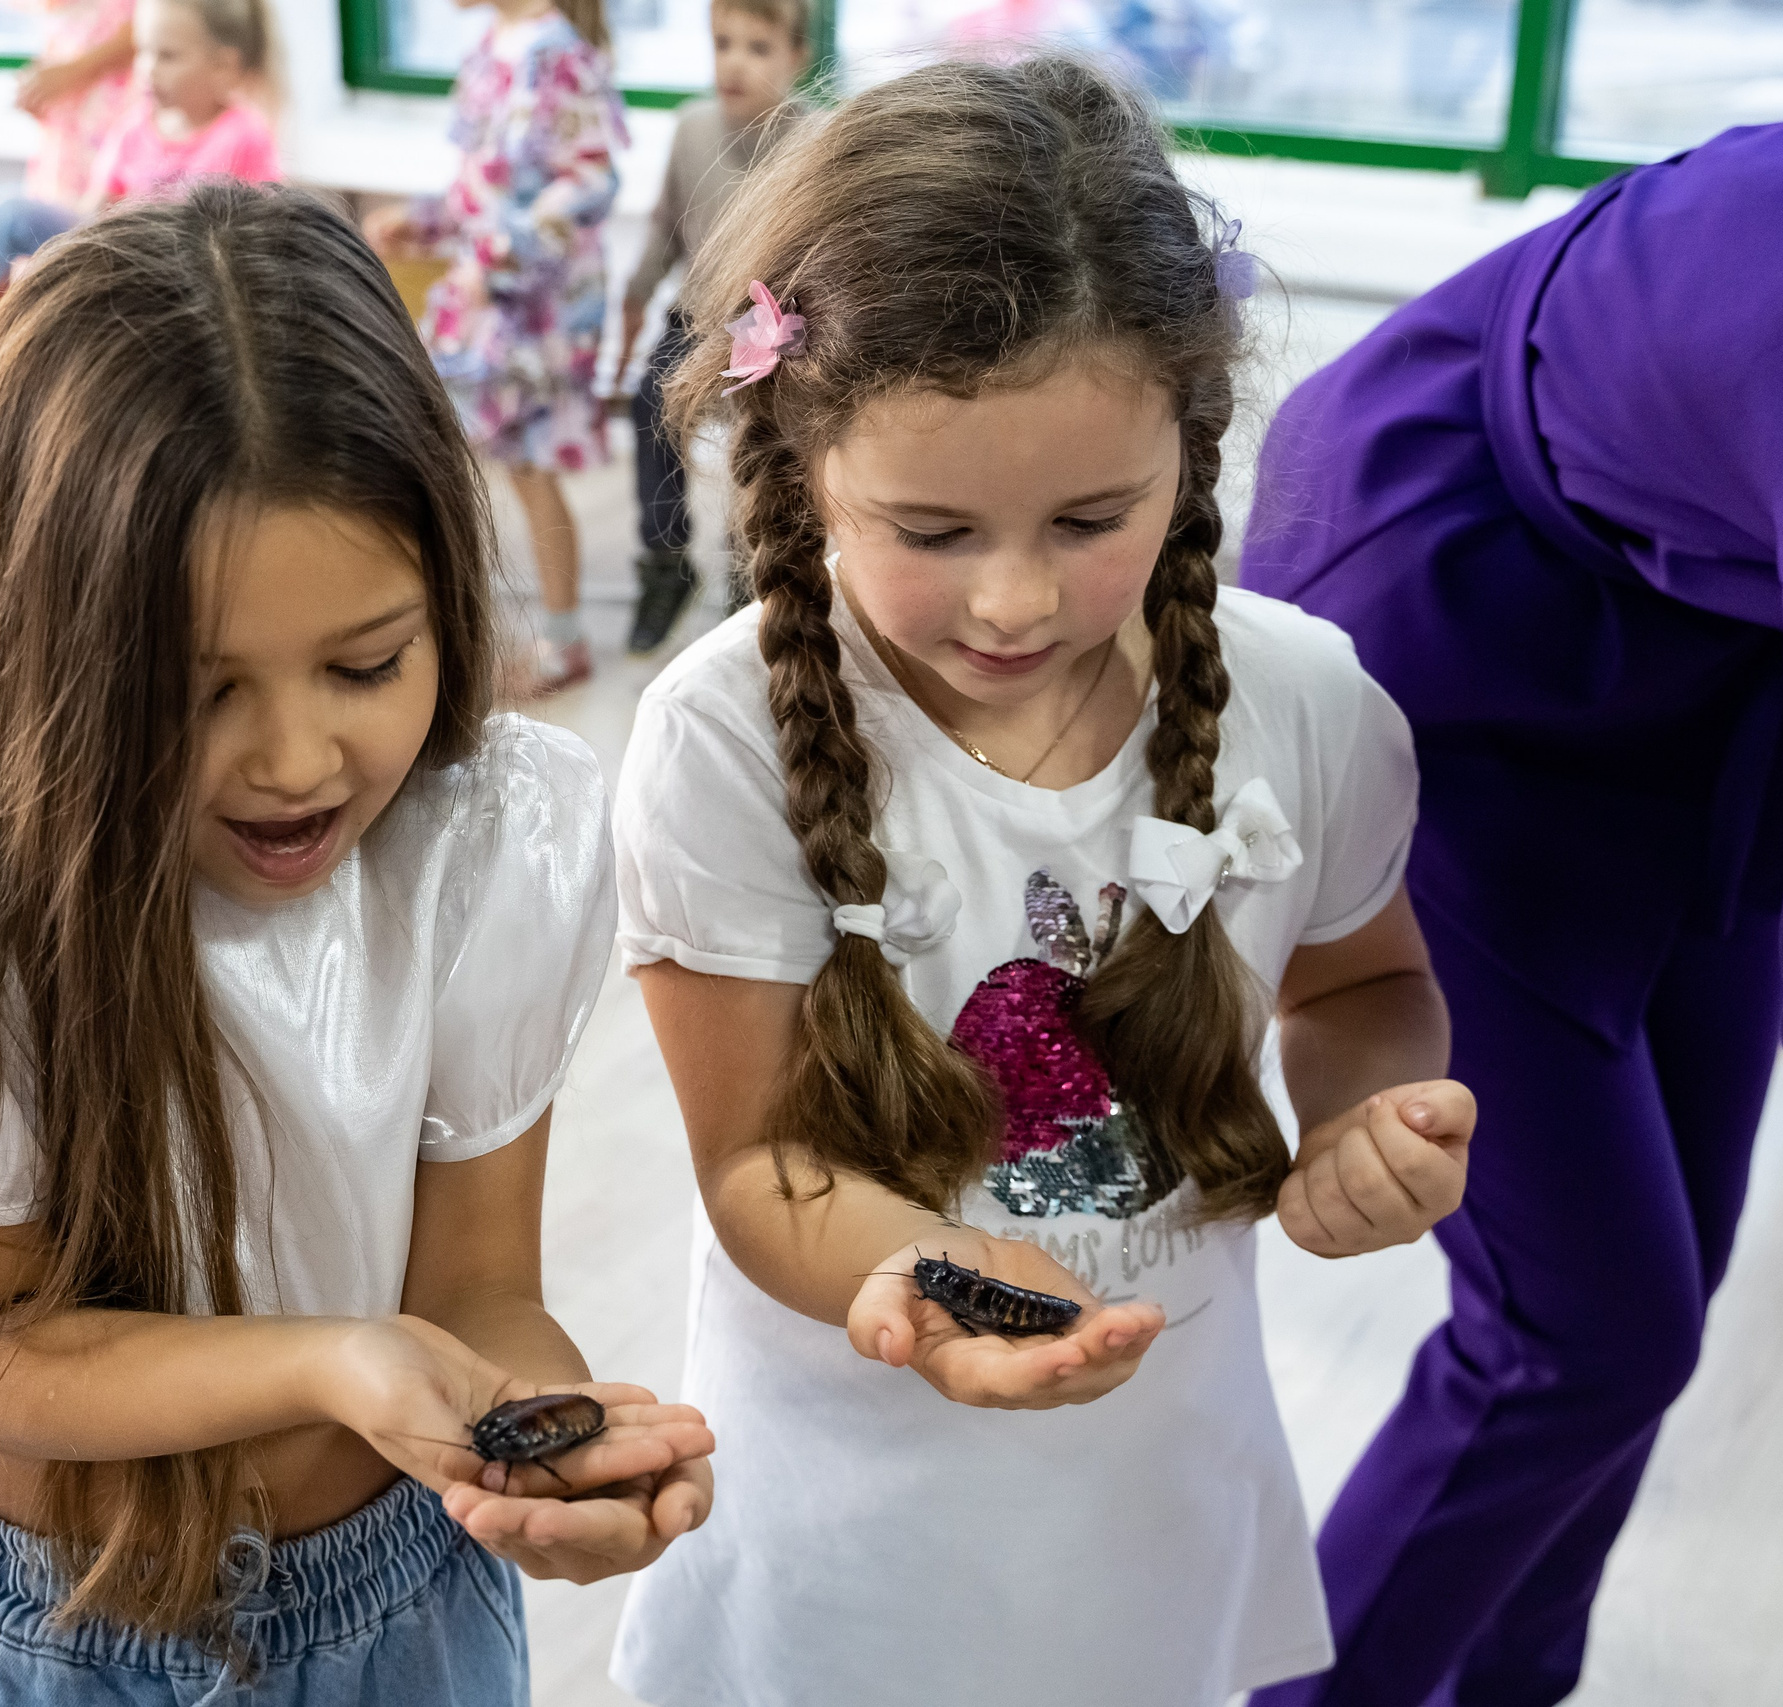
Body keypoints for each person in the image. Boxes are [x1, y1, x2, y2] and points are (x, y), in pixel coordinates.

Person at [0, 185, 715, 1706]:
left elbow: (478, 1288)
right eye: (197, 691)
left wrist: (543, 1442)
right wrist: (331, 1358)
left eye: (366, 664)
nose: (295, 761)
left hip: (409, 1597)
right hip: (70, 1633)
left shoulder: (488, 833)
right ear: (45, 653)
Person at [603, 59, 1479, 1705]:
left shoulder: (1306, 702)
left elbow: (1365, 981)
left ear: (1190, 446)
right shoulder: (723, 740)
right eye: (931, 531)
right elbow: (763, 1160)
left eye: (1091, 518)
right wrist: (939, 1279)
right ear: (801, 458)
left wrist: (1370, 1113)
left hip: (1160, 1511)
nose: (1013, 601)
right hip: (844, 1549)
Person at [1237, 104, 1783, 1707]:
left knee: (1659, 1291)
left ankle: (1509, 1681)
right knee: (1583, 1330)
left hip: (1711, 657)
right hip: (1452, 635)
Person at [365, 0, 625, 699]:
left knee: (528, 468)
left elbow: (588, 182)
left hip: (539, 311)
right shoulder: (493, 46)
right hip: (486, 299)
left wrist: (501, 253)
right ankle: (442, 629)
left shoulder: (557, 55)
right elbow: (485, 183)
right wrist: (424, 221)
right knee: (461, 459)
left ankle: (562, 641)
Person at [0, 0, 281, 387]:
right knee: (14, 214)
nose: (147, 70)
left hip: (179, 271)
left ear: (223, 66)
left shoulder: (242, 136)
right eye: (143, 53)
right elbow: (96, 210)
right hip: (119, 252)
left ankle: (6, 359)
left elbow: (255, 236)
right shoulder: (137, 128)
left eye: (168, 56)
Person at [614, 0, 808, 655]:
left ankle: (746, 572)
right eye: (723, 43)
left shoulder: (814, 141)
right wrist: (635, 296)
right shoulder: (692, 128)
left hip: (771, 323)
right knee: (651, 401)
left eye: (758, 47)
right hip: (695, 318)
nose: (735, 63)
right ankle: (665, 564)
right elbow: (665, 227)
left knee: (759, 425)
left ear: (796, 58)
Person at [13, 0, 138, 211]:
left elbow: (145, 29)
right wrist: (39, 88)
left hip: (109, 128)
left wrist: (76, 70)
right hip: (67, 138)